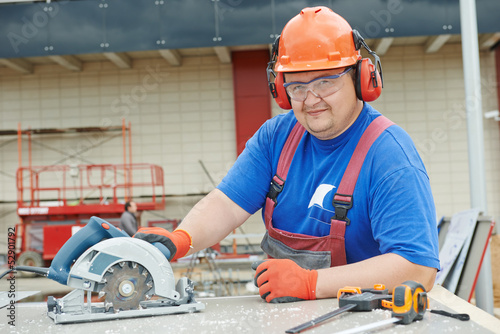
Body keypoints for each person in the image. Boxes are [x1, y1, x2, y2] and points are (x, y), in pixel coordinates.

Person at [135, 6, 440, 303]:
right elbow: (226, 205)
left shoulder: (389, 155)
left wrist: (310, 282)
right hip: (286, 317)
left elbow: (417, 267)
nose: (311, 99)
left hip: (362, 318)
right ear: (280, 90)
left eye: (326, 81)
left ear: (360, 78)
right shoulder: (276, 138)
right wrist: (180, 240)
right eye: (297, 86)